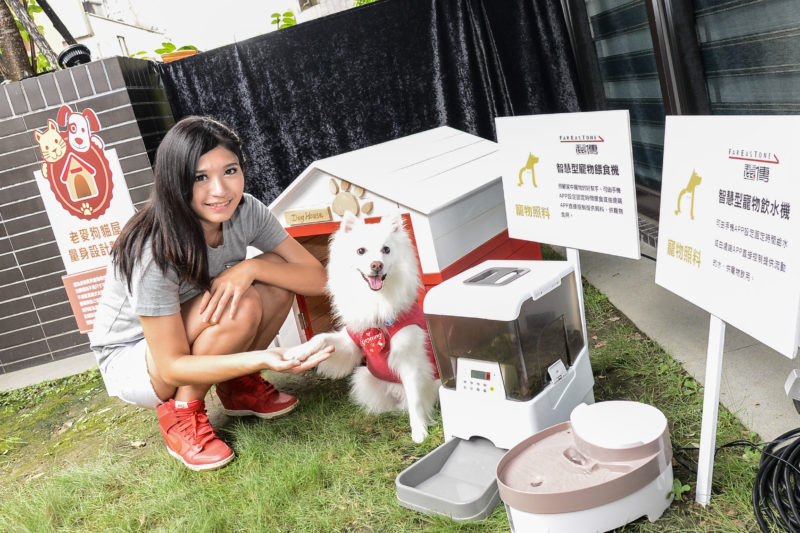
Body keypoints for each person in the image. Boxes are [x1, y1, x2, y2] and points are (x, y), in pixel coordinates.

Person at [89, 116, 332, 471]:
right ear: (176, 181)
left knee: (275, 280)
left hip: (188, 328)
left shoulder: (247, 210)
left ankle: (237, 388)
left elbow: (316, 277)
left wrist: (252, 268)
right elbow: (171, 365)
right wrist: (263, 358)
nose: (220, 190)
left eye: (230, 171)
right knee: (240, 305)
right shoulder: (153, 249)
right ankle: (181, 416)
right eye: (200, 177)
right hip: (135, 356)